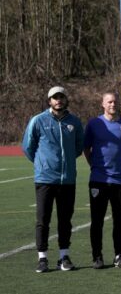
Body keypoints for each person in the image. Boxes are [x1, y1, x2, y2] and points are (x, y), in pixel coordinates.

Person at [23, 86, 84, 273]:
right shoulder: (38, 120)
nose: (58, 100)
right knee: (43, 219)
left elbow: (78, 147)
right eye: (55, 97)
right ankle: (42, 258)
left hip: (67, 180)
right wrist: (42, 164)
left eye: (61, 97)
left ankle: (64, 257)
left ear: (66, 100)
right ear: (49, 101)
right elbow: (28, 147)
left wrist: (66, 164)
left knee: (65, 220)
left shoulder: (74, 122)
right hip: (45, 179)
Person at [83, 91, 121, 269]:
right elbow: (86, 148)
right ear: (103, 104)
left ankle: (119, 255)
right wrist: (95, 166)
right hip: (99, 180)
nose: (113, 104)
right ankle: (97, 256)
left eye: (115, 102)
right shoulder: (94, 124)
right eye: (109, 102)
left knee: (120, 221)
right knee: (97, 221)